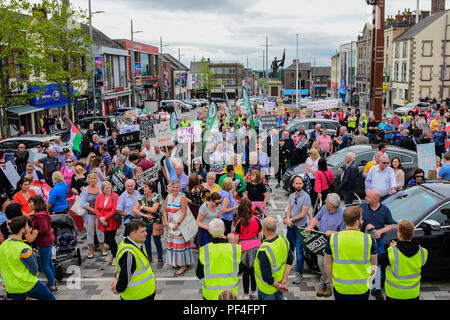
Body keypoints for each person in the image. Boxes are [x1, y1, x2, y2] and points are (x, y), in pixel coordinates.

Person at [324, 206, 378, 300]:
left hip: (340, 287)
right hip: (362, 287)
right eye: (361, 218)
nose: (362, 221)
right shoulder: (369, 239)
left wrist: (331, 280)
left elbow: (326, 263)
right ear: (357, 222)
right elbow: (374, 265)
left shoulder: (333, 238)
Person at [0, 216, 55, 300]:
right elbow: (34, 269)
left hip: (12, 286)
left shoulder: (3, 245)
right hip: (27, 284)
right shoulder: (24, 248)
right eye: (27, 226)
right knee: (50, 298)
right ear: (22, 230)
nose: (29, 228)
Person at [305, 193, 345, 297]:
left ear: (332, 205)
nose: (325, 203)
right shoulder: (324, 208)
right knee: (321, 264)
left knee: (329, 265)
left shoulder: (343, 214)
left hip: (335, 244)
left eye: (326, 202)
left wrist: (334, 232)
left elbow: (345, 233)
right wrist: (311, 226)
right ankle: (325, 283)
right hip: (322, 241)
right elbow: (316, 218)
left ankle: (326, 285)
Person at [379, 220, 428, 300]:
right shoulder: (423, 252)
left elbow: (381, 261)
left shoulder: (391, 252)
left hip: (394, 293)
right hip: (413, 293)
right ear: (412, 234)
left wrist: (391, 248)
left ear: (399, 233)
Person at [360, 189, 395, 300]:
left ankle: (376, 288)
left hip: (378, 242)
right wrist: (365, 225)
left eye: (368, 197)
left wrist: (380, 231)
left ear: (375, 199)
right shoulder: (362, 206)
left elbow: (390, 225)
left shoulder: (385, 209)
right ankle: (364, 285)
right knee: (363, 263)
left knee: (377, 265)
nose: (365, 198)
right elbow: (355, 220)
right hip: (363, 241)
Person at [196, 218, 242, 300]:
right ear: (224, 230)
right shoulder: (235, 249)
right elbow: (240, 271)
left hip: (210, 294)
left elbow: (199, 274)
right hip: (230, 293)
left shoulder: (204, 250)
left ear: (209, 231)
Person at [111, 219, 156, 300]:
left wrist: (116, 277)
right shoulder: (129, 253)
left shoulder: (131, 243)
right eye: (142, 231)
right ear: (132, 234)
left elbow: (121, 266)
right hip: (138, 295)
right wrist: (118, 289)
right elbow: (125, 276)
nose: (146, 233)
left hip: (143, 293)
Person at [254, 217, 293, 300]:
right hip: (280, 282)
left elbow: (266, 277)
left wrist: (279, 286)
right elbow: (290, 260)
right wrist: (284, 280)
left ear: (263, 229)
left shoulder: (264, 250)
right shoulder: (283, 239)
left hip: (267, 289)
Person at [231, 198, 262, 300]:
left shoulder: (239, 222)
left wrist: (235, 252)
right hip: (256, 247)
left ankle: (245, 294)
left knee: (245, 273)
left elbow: (235, 238)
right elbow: (259, 236)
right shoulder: (257, 220)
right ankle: (253, 292)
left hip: (244, 248)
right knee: (253, 272)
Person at [26, 195, 58, 295]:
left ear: (37, 204)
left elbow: (43, 229)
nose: (29, 204)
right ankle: (53, 280)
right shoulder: (42, 213)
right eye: (29, 202)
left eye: (32, 203)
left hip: (43, 242)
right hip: (49, 240)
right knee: (49, 262)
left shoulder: (40, 216)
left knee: (44, 265)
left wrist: (34, 231)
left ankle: (52, 286)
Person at [162, 179, 194, 275]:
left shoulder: (182, 197)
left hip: (179, 223)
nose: (175, 189)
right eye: (174, 187)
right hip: (170, 223)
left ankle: (183, 265)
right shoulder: (168, 196)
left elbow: (184, 212)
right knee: (172, 243)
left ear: (180, 188)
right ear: (171, 188)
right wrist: (166, 222)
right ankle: (176, 262)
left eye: (177, 187)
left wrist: (178, 224)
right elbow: (164, 210)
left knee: (179, 244)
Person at [284, 175, 311, 285]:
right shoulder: (291, 195)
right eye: (297, 183)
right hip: (290, 227)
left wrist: (290, 219)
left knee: (299, 251)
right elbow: (289, 207)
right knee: (289, 248)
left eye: (300, 183)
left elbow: (303, 214)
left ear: (303, 184)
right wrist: (288, 219)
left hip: (300, 227)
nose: (298, 185)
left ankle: (299, 272)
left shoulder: (306, 197)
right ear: (293, 185)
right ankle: (291, 265)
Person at [133, 181, 164, 268]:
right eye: (144, 187)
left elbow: (154, 209)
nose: (144, 189)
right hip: (145, 223)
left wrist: (143, 207)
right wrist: (144, 215)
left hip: (155, 222)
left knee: (157, 240)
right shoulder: (142, 197)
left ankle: (160, 258)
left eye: (146, 187)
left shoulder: (157, 196)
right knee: (146, 241)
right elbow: (134, 209)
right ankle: (149, 257)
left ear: (151, 189)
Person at [80, 173, 105, 259]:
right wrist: (91, 209)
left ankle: (102, 248)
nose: (93, 180)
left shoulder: (100, 188)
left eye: (94, 178)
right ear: (88, 180)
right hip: (89, 214)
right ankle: (91, 250)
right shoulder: (85, 190)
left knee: (100, 231)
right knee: (90, 232)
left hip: (100, 214)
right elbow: (82, 203)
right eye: (91, 178)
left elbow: (104, 199)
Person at [95, 181, 120, 265]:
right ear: (103, 189)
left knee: (111, 238)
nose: (108, 189)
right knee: (106, 239)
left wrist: (105, 218)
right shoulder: (100, 196)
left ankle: (116, 256)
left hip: (112, 221)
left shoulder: (115, 196)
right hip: (103, 221)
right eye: (106, 188)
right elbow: (96, 208)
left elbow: (114, 210)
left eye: (109, 187)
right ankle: (113, 253)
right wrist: (101, 218)